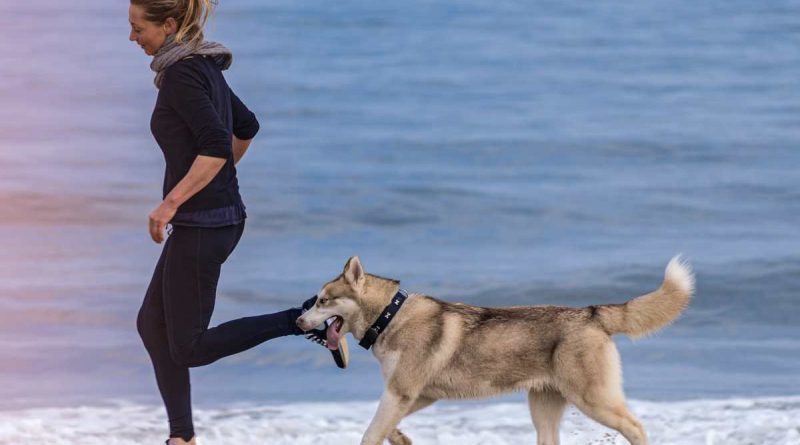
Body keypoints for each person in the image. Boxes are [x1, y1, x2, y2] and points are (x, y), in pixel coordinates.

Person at [129, 1, 348, 444]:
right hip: (213, 218)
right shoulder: (200, 65)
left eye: (138, 28)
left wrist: (169, 204)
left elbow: (215, 146)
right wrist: (218, 181)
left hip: (206, 224)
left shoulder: (182, 74)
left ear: (168, 24)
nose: (133, 37)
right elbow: (245, 127)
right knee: (153, 326)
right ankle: (181, 437)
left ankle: (306, 320)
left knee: (188, 347)